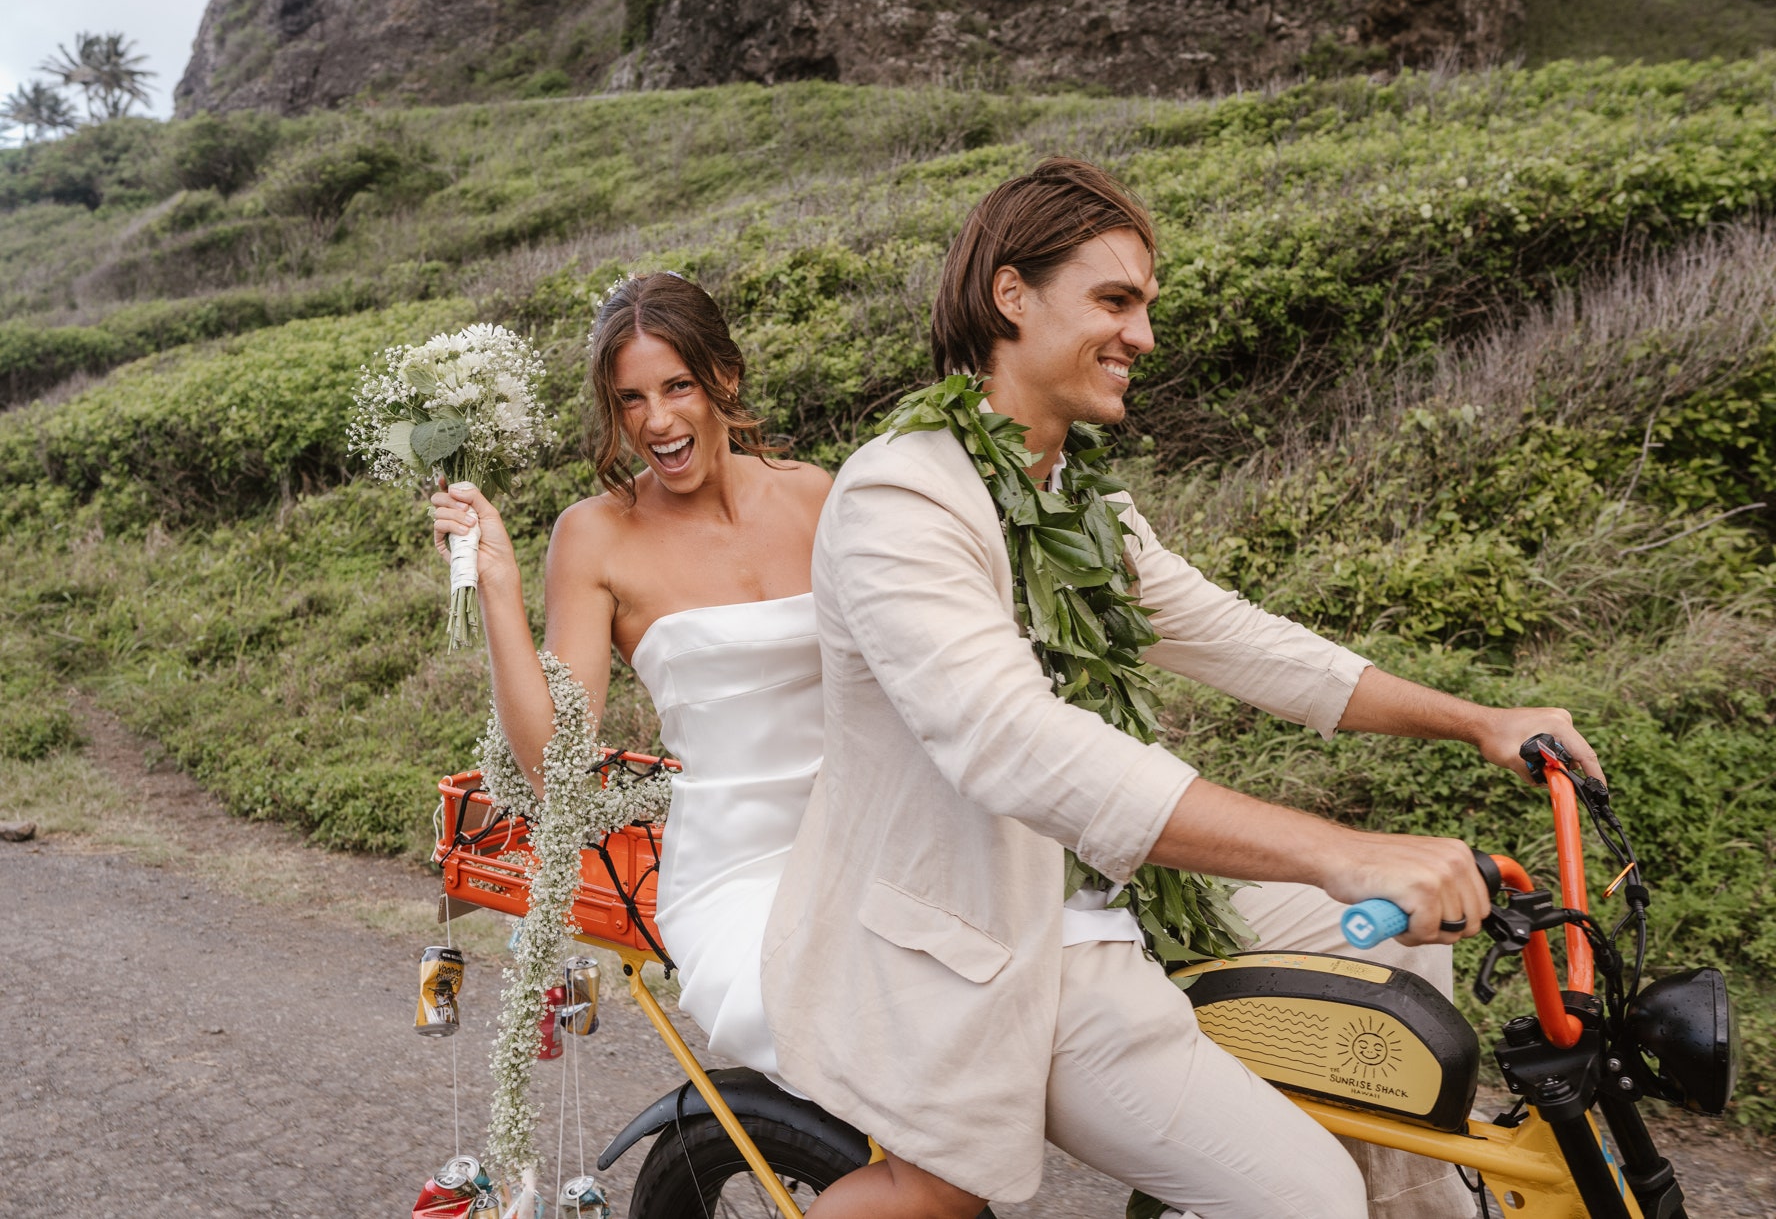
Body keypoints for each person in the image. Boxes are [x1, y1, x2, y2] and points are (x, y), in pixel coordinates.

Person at [760, 158, 1608, 1219]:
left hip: (1128, 890)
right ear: (1010, 296)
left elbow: (1243, 641)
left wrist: (1479, 721)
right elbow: (1014, 743)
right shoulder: (903, 498)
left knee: (1395, 944)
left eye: (1146, 306)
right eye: (1114, 301)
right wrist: (1341, 850)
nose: (1144, 336)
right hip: (1010, 941)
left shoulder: (1077, 501)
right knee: (1308, 1201)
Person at [430, 272, 965, 1216]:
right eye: (629, 398)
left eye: (675, 385)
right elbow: (559, 762)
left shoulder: (821, 497)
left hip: (881, 836)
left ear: (722, 375)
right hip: (743, 873)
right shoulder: (595, 537)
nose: (656, 419)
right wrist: (501, 590)